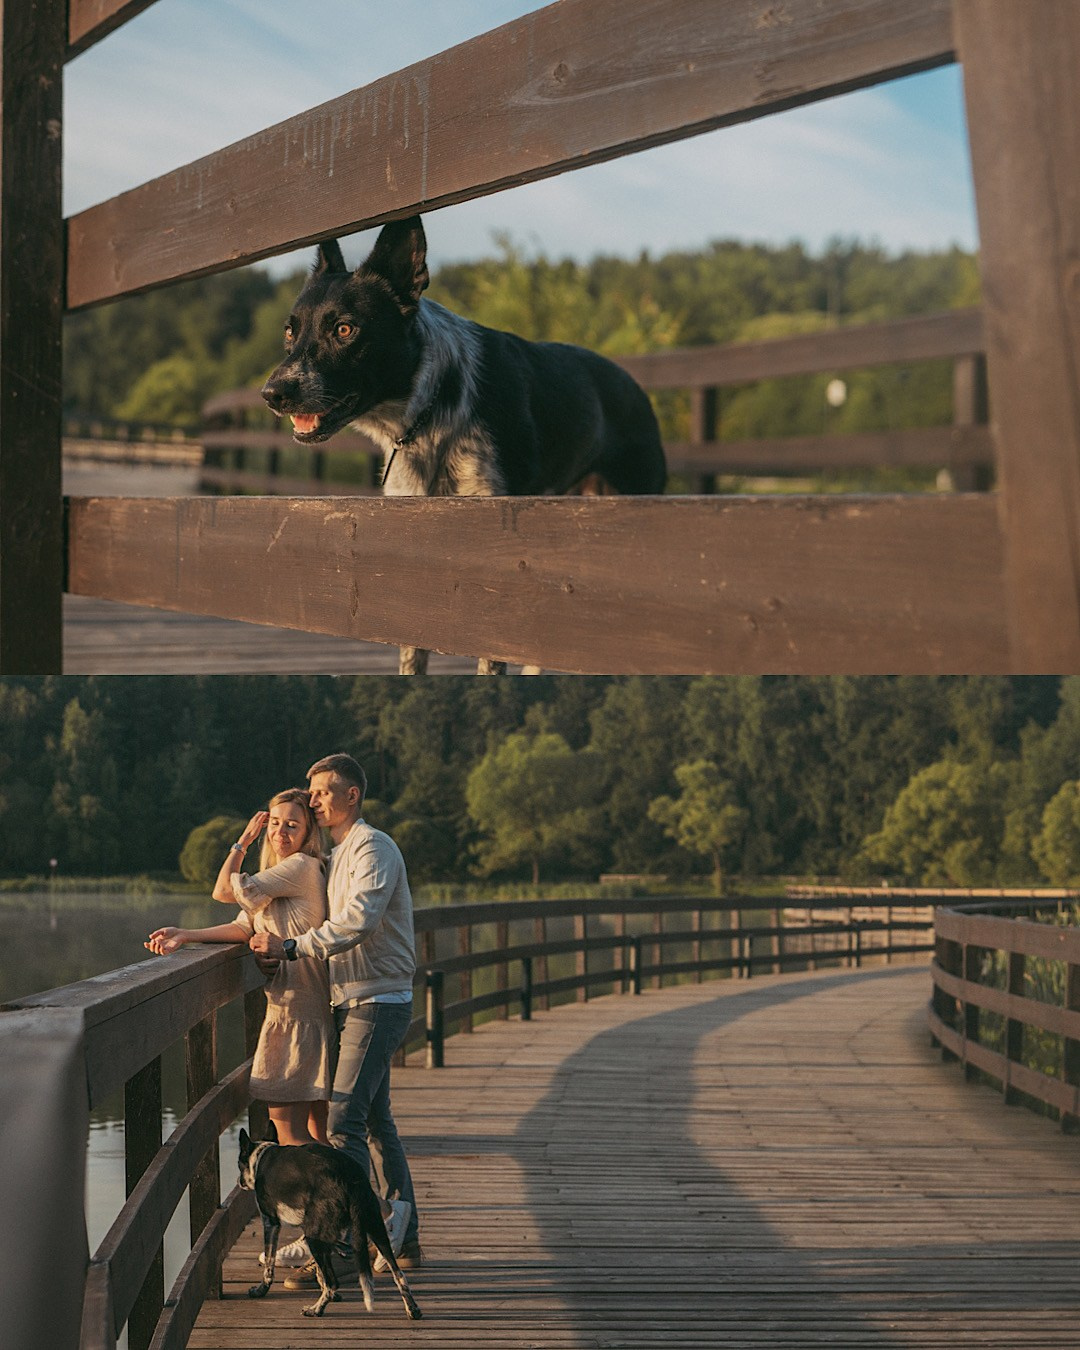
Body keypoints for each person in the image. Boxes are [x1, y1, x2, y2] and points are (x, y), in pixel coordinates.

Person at [249, 751, 422, 1278]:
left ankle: (345, 1242)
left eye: (325, 792)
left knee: (344, 1120)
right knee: (375, 1121)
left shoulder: (373, 847)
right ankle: (404, 1235)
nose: (315, 800)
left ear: (352, 795)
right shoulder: (342, 852)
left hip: (378, 999)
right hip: (353, 999)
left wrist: (291, 948)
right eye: (314, 793)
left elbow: (359, 922)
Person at [146, 788, 332, 1148]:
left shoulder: (301, 867)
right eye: (275, 824)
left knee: (289, 1132)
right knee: (315, 1134)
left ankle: (351, 1204)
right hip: (303, 1008)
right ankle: (359, 1203)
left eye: (292, 825)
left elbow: (221, 890)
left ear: (309, 833)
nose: (280, 832)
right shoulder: (278, 877)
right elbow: (245, 926)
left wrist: (242, 842)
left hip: (296, 1012)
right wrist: (185, 934)